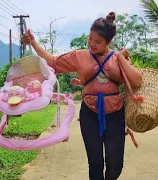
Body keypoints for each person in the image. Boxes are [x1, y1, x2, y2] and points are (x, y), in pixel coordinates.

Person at [23, 12, 143, 180]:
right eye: (90, 39)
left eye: (98, 41)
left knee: (115, 164)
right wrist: (34, 42)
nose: (92, 44)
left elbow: (137, 81)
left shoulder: (117, 57)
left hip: (115, 114)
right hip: (90, 114)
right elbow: (53, 62)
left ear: (108, 42)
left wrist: (120, 58)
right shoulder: (80, 56)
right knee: (95, 163)